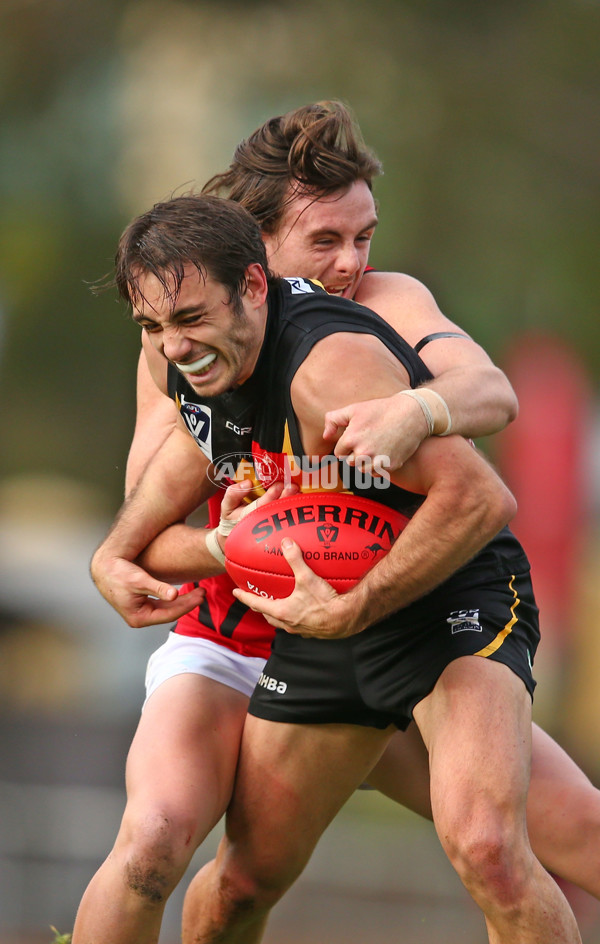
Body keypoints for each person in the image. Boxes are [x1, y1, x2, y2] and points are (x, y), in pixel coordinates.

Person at [70, 104, 600, 944]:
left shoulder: (359, 327)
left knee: (501, 845)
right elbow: (147, 526)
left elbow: (492, 405)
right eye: (326, 241)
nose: (353, 262)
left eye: (365, 236)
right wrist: (133, 554)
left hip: (410, 593)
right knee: (189, 863)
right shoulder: (186, 338)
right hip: (259, 623)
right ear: (249, 257)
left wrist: (416, 409)